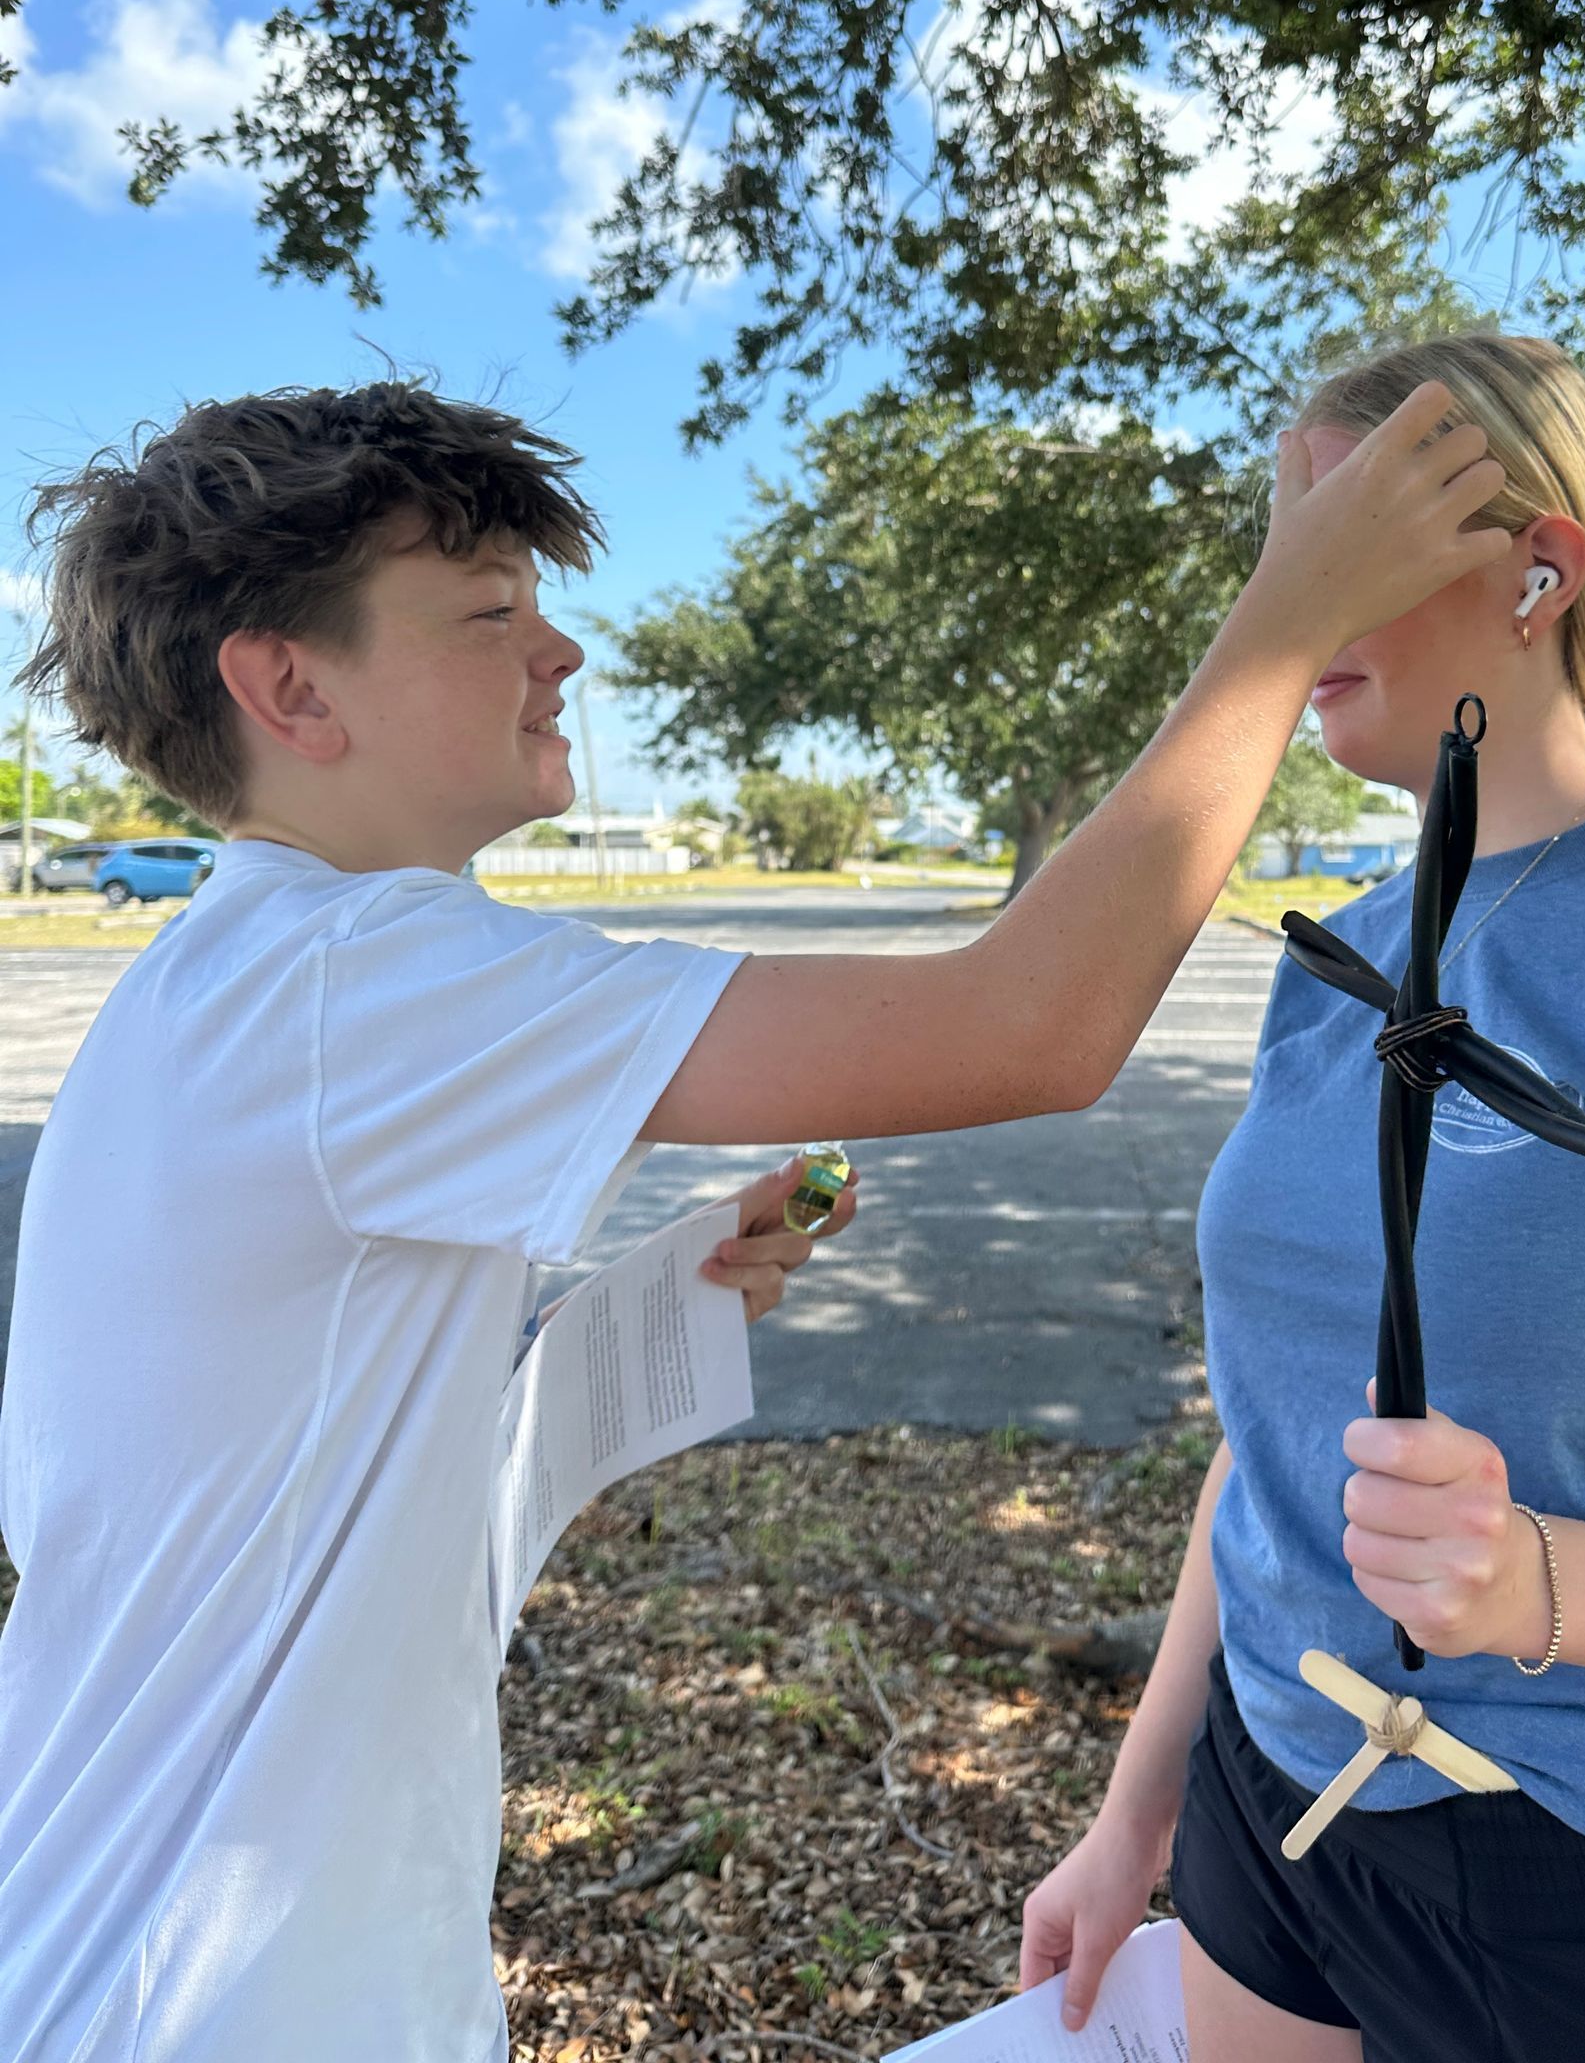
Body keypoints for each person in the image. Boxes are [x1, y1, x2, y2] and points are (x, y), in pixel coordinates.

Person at [0, 372, 1504, 2062]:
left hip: (220, 1951)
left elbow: (280, 1477)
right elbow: (1030, 1026)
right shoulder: (351, 974)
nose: (559, 651)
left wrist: (623, 1326)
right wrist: (1290, 614)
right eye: (489, 611)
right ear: (290, 687)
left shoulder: (232, 980)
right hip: (200, 1997)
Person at [1019, 335, 1585, 2063]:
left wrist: (1536, 1582)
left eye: (1340, 536)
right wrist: (1140, 1810)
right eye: (1278, 549)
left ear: (1538, 571)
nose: (1289, 596)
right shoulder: (1337, 965)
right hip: (1275, 1810)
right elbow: (1278, 1441)